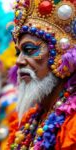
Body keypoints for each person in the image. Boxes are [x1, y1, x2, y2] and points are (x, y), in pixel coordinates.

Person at [7, 0, 76, 149]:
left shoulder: (73, 126)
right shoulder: (29, 119)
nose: (18, 61)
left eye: (29, 50)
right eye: (18, 53)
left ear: (60, 55)